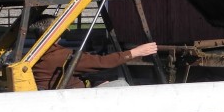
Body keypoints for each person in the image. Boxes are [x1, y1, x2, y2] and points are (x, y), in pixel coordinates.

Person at [25, 17, 158, 90]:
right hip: (72, 100)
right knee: (121, 85)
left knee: (104, 83)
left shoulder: (35, 55)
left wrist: (94, 82)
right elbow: (102, 62)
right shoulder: (62, 56)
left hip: (63, 95)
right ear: (54, 33)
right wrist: (134, 52)